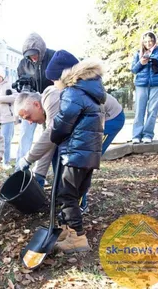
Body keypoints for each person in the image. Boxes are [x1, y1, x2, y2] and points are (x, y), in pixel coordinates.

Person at [15, 91, 125, 213]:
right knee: (61, 155)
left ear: (36, 105)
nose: (29, 122)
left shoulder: (52, 100)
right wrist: (39, 175)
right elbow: (50, 144)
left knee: (81, 160)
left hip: (107, 119)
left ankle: (77, 207)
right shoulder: (46, 112)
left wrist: (27, 159)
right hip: (86, 123)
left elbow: (50, 135)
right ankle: (63, 198)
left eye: (28, 117)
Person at [47, 50, 106, 253]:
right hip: (88, 154)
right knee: (76, 192)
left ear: (63, 75)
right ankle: (66, 229)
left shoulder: (73, 92)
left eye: (54, 79)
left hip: (76, 153)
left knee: (67, 195)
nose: (54, 84)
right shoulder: (90, 92)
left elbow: (64, 121)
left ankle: (77, 237)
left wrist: (55, 134)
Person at [15, 33, 55, 170]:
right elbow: (22, 86)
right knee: (25, 136)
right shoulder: (23, 64)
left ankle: (43, 169)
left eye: (35, 54)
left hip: (49, 104)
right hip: (31, 104)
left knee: (49, 136)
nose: (33, 57)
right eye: (29, 55)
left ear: (41, 51)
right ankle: (20, 169)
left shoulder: (53, 58)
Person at [131, 31, 158, 144]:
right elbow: (134, 69)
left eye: (150, 41)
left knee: (152, 110)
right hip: (141, 84)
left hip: (157, 83)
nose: (148, 43)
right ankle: (136, 135)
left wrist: (157, 61)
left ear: (154, 40)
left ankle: (148, 134)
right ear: (142, 42)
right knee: (139, 110)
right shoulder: (138, 52)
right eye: (145, 41)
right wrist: (141, 63)